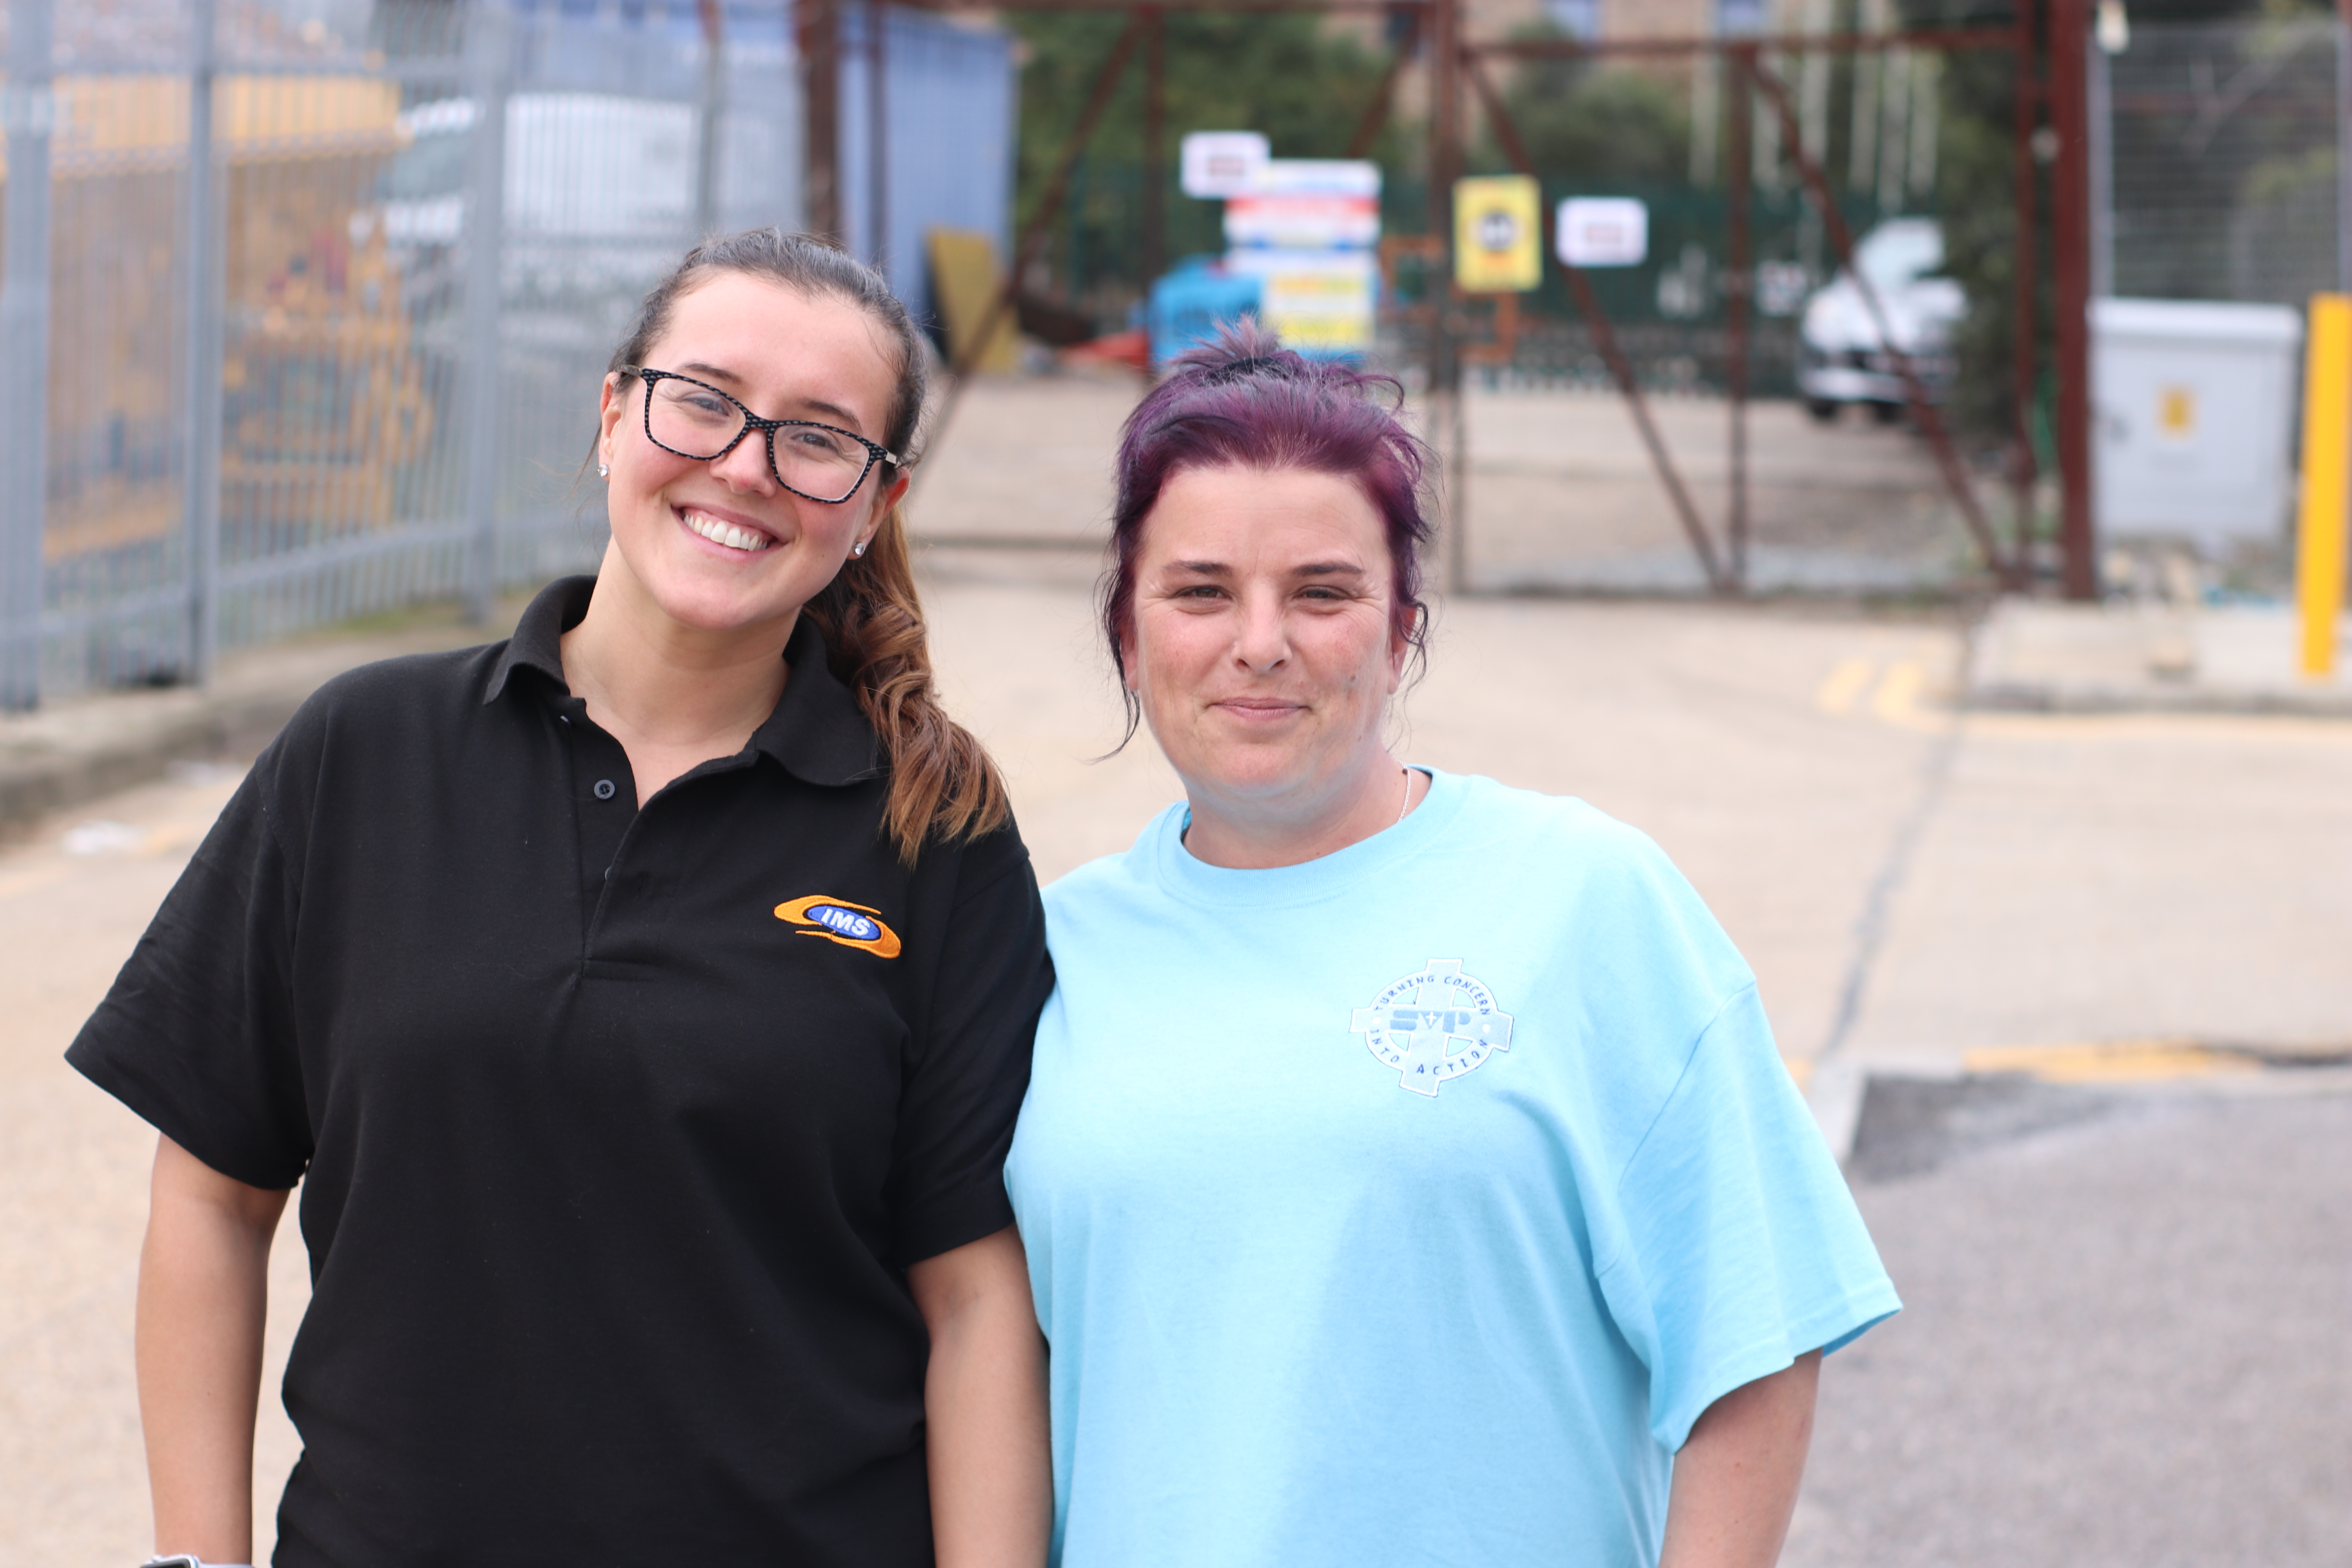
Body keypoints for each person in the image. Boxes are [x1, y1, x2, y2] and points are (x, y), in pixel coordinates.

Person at [69, 230, 1052, 1568]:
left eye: (820, 439)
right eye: (702, 399)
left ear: (875, 502)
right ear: (612, 414)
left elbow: (976, 1296)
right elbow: (211, 1197)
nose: (746, 465)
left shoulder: (935, 827)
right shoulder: (364, 751)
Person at [1003, 326, 1900, 1568]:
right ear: (1127, 631)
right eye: (1202, 591)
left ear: (1402, 628)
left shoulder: (1583, 899)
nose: (1259, 641)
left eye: (1322, 592)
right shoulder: (1046, 954)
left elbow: (1757, 1337)